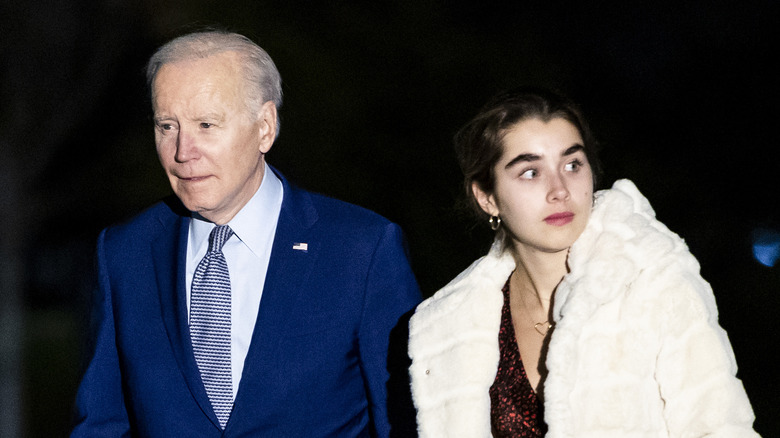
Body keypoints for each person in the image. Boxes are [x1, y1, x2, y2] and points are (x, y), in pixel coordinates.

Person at [71, 30, 421, 437]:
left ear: (265, 128)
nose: (183, 151)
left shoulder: (363, 250)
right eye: (167, 126)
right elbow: (101, 424)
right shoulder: (124, 253)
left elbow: (405, 420)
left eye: (206, 124)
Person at [407, 87, 758, 437]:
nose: (559, 189)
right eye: (531, 172)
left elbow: (720, 428)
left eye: (572, 165)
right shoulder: (454, 325)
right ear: (487, 198)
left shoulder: (653, 280)